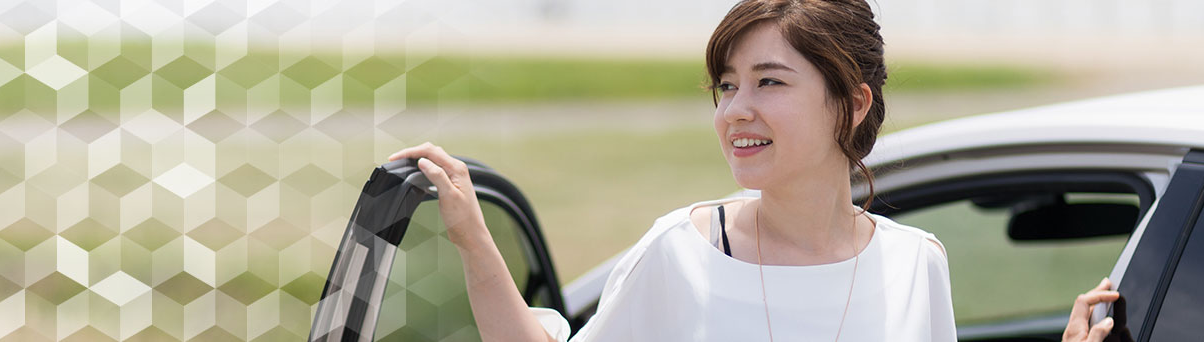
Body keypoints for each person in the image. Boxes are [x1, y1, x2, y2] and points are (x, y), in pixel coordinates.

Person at [387, 0, 1119, 341]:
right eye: (726, 85)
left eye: (769, 82)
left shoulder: (916, 263)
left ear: (852, 103)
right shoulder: (681, 252)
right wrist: (476, 243)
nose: (736, 109)